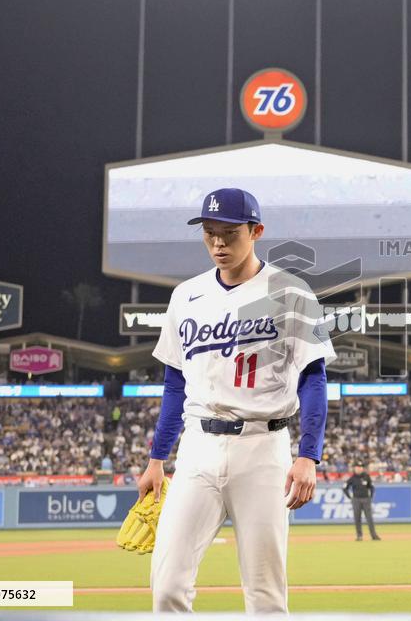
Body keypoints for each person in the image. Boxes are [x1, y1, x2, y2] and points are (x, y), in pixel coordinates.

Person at [139, 188, 336, 614]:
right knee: (167, 585)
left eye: (229, 233)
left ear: (257, 231)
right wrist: (156, 459)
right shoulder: (184, 296)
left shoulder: (293, 292)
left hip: (264, 450)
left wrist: (309, 456)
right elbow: (175, 386)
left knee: (265, 595)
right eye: (209, 233)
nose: (218, 244)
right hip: (197, 450)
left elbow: (313, 378)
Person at [344, 462, 381, 541]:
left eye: (360, 467)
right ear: (354, 468)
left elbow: (371, 487)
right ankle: (359, 536)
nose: (359, 468)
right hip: (356, 500)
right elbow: (345, 488)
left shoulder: (366, 477)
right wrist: (350, 497)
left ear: (362, 468)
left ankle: (373, 535)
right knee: (357, 518)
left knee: (369, 518)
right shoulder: (352, 478)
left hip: (366, 499)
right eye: (357, 467)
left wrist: (371, 496)